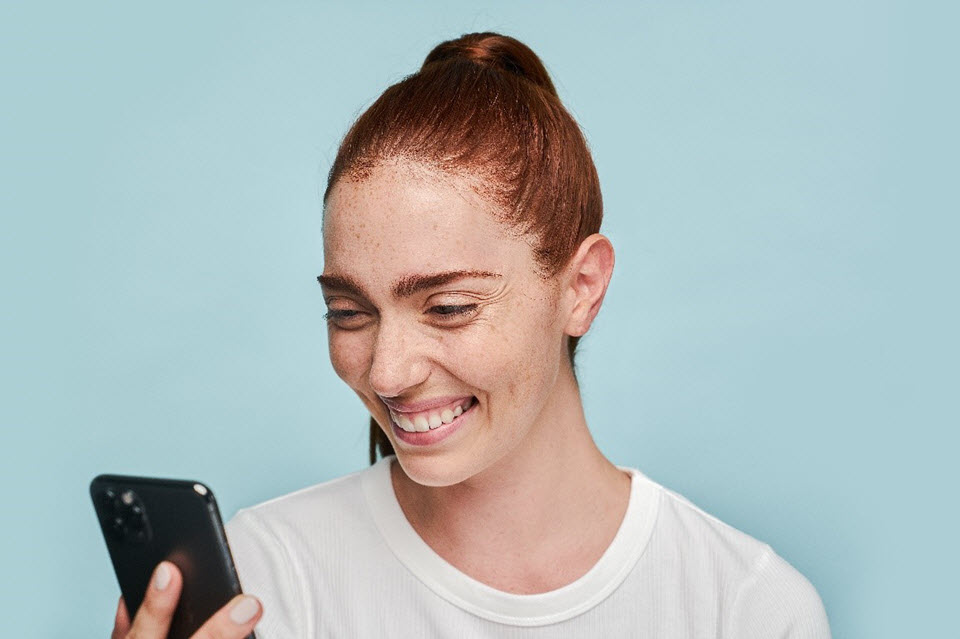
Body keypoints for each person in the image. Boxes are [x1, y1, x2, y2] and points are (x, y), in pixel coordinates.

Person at [109, 32, 831, 638]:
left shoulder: (745, 607)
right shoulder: (267, 582)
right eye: (350, 312)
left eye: (448, 307)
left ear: (581, 287)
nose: (388, 372)